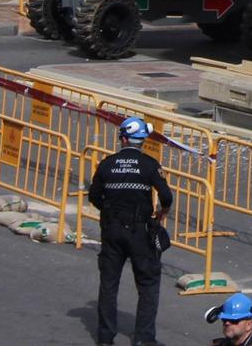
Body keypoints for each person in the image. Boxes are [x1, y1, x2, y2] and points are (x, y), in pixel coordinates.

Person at [87, 114, 174, 346]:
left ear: (124, 139)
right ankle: (144, 339)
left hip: (112, 229)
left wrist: (109, 209)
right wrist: (162, 211)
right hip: (139, 232)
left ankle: (105, 337)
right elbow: (166, 196)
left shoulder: (107, 164)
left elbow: (93, 195)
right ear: (142, 140)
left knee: (109, 283)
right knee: (148, 283)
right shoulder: (149, 165)